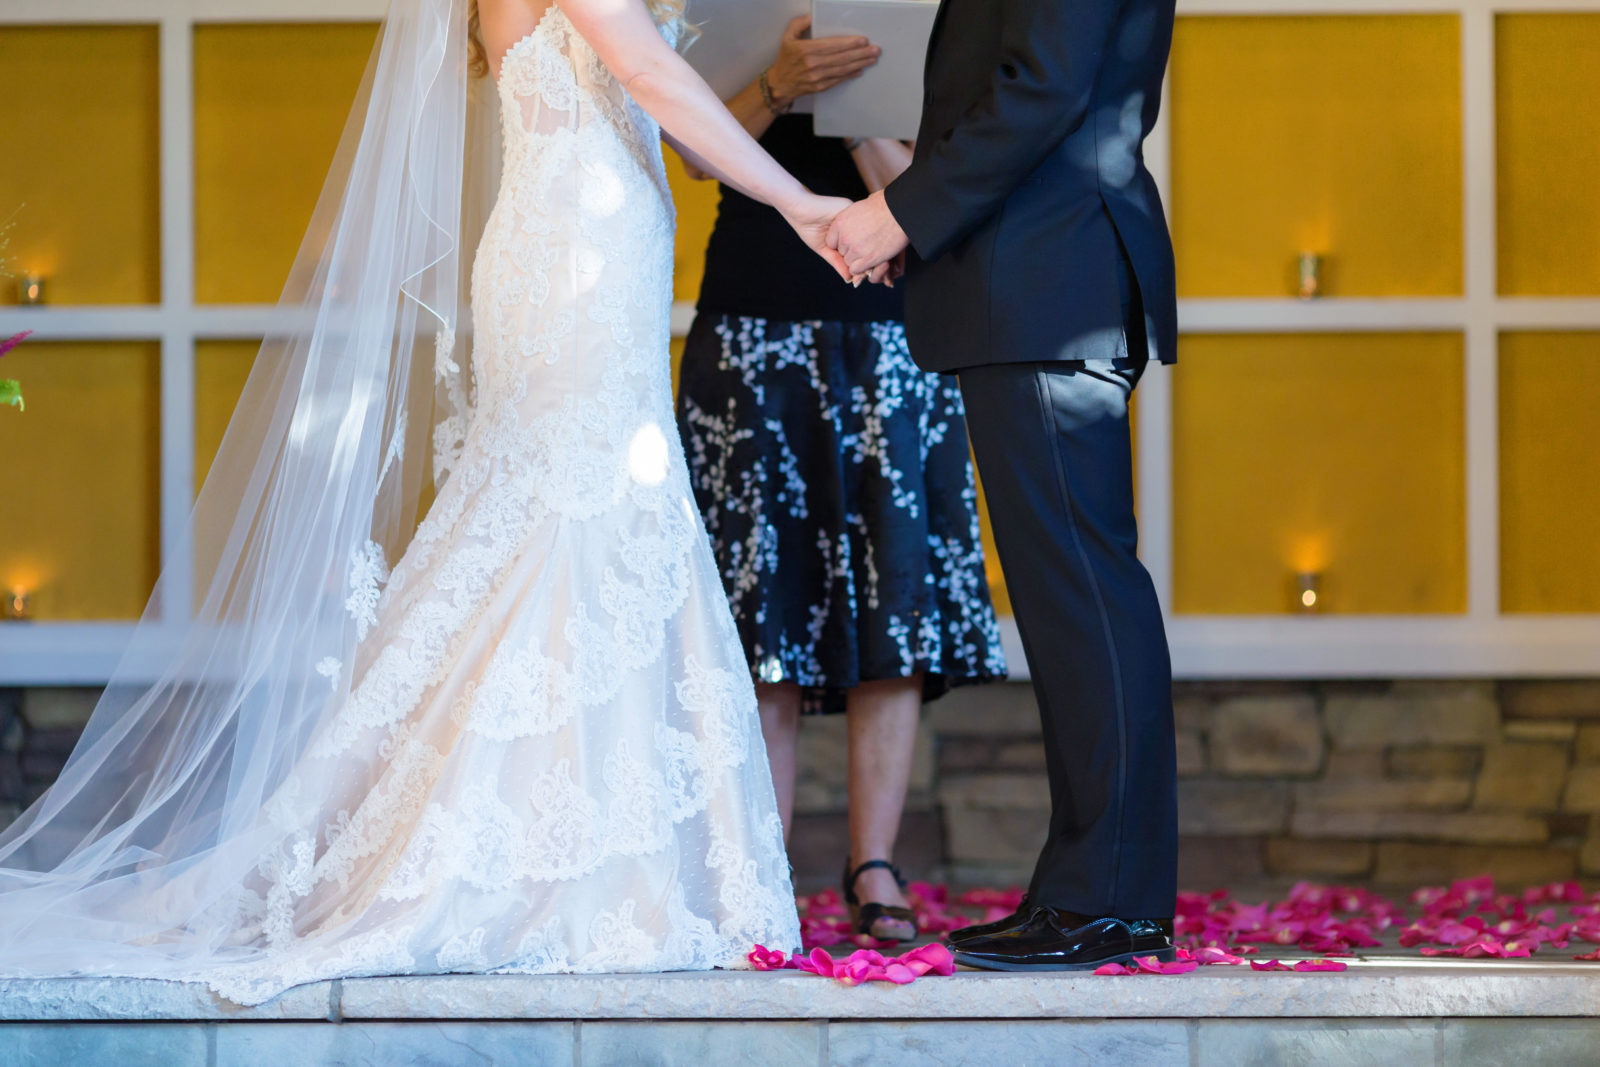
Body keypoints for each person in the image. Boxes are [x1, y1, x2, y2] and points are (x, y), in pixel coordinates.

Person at [0, 0, 858, 1004]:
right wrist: (803, 203)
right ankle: (546, 864)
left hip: (575, 246)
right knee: (562, 514)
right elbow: (650, 76)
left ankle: (559, 851)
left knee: (544, 520)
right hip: (576, 252)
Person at [828, 0, 1181, 970]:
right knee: (1075, 599)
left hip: (1046, 277)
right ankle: (1088, 891)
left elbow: (1043, 85)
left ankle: (1108, 897)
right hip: (1039, 273)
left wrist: (900, 209)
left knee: (1083, 596)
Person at [674, 18, 1006, 943]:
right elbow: (699, 157)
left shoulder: (930, 17)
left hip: (892, 328)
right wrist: (780, 84)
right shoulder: (744, 14)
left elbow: (932, 197)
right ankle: (762, 866)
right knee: (759, 605)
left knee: (891, 606)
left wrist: (855, 117)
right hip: (751, 321)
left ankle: (874, 867)